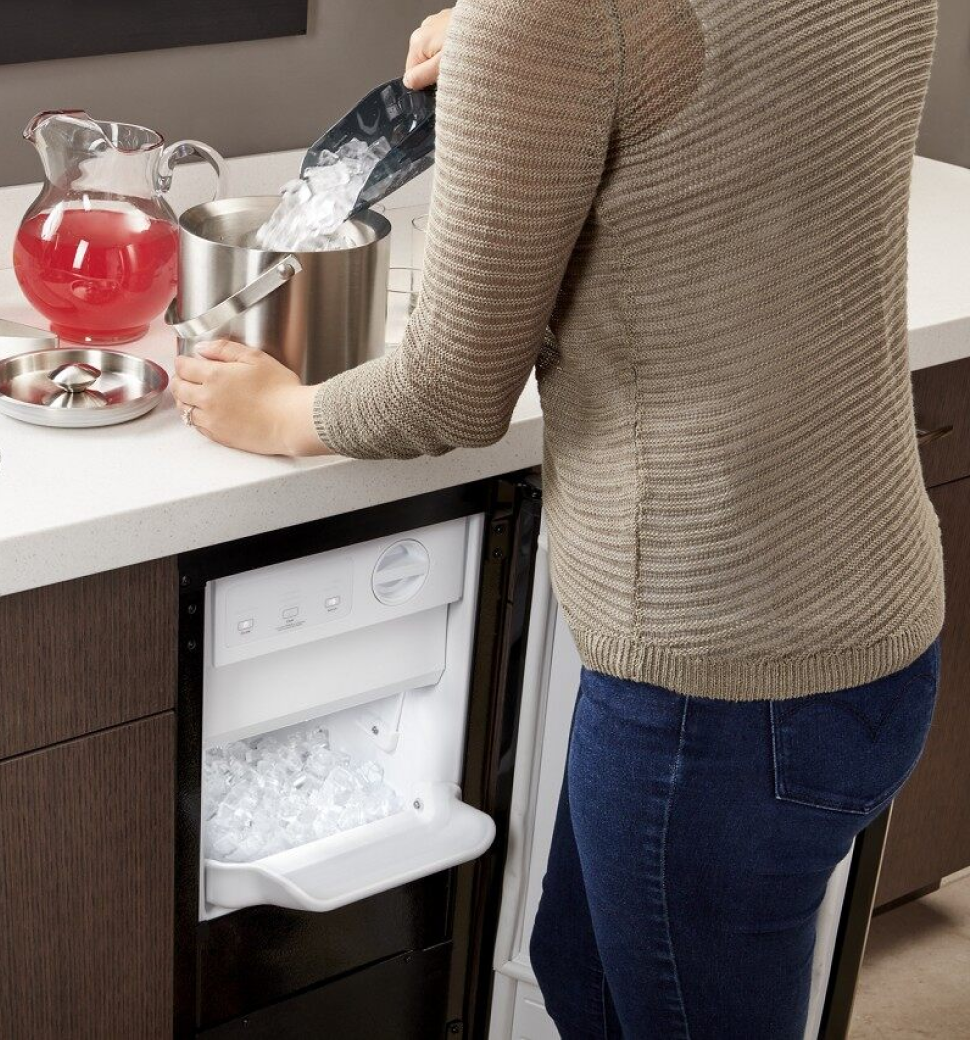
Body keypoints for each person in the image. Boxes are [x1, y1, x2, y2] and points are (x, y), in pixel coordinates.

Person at [169, 2, 944, 1037]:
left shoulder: (547, 22)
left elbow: (450, 390)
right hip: (878, 629)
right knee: (577, 967)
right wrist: (543, 69)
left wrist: (279, 411)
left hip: (710, 686)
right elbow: (741, 107)